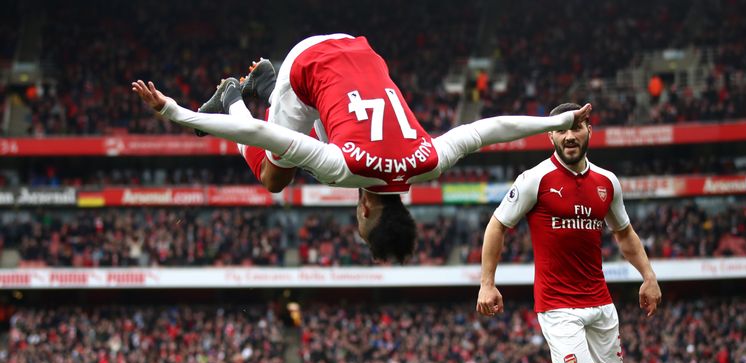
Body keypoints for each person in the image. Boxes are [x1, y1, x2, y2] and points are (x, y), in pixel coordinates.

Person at [131, 34, 591, 263]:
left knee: (327, 130)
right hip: (306, 62)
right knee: (274, 177)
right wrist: (177, 112)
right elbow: (262, 136)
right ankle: (236, 92)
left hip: (360, 50)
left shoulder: (427, 161)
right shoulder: (343, 168)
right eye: (359, 222)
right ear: (368, 210)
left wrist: (560, 120)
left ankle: (271, 87)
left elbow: (491, 129)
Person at [475, 103, 662, 363]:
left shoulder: (608, 182)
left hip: (600, 299)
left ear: (590, 130)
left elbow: (625, 234)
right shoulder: (535, 179)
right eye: (562, 129)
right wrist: (487, 283)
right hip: (558, 302)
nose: (570, 135)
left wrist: (649, 276)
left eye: (577, 127)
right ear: (551, 135)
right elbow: (496, 225)